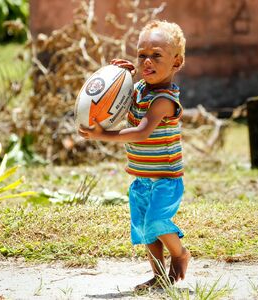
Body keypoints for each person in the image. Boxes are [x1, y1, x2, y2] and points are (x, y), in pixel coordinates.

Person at [78, 20, 190, 290]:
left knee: (156, 222)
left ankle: (180, 253)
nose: (147, 61)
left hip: (166, 180)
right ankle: (159, 276)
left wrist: (100, 136)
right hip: (140, 179)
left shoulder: (164, 99)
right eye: (142, 56)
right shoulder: (139, 89)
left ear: (176, 62)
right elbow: (113, 105)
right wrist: (119, 77)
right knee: (145, 230)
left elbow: (141, 132)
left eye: (156, 56)